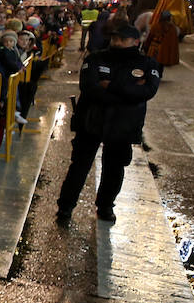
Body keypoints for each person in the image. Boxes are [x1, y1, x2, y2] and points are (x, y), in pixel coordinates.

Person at [56, 25, 161, 225]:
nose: (117, 42)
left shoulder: (146, 64)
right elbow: (89, 87)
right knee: (79, 165)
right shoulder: (96, 58)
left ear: (135, 42)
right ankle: (65, 207)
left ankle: (105, 206)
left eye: (122, 39)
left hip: (124, 125)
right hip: (91, 120)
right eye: (115, 38)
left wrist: (111, 86)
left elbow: (147, 92)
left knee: (114, 168)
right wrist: (127, 93)